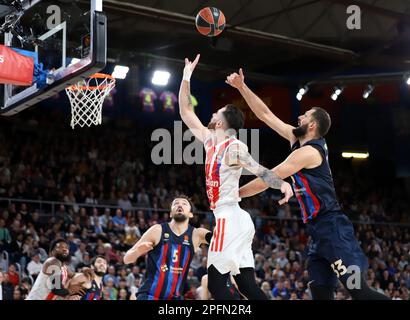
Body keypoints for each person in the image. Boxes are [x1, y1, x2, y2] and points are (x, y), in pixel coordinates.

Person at [225, 68, 389, 300]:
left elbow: (270, 177)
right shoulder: (298, 140)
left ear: (312, 126)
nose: (299, 117)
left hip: (333, 229)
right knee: (320, 295)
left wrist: (233, 194)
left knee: (359, 291)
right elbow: (265, 115)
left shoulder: (309, 152)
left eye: (305, 116)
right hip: (317, 232)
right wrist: (242, 87)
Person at [178, 54, 293, 300]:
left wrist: (282, 183)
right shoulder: (210, 142)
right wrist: (186, 76)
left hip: (230, 217)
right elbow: (186, 111)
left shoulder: (233, 147)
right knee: (247, 287)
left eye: (216, 114)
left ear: (221, 123)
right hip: (233, 219)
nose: (211, 116)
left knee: (217, 284)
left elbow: (258, 169)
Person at [123, 196, 212, 300]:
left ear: (190, 214)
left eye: (184, 203)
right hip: (149, 295)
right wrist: (138, 251)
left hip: (175, 297)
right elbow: (126, 259)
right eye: (176, 203)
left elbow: (220, 239)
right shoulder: (157, 230)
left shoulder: (197, 234)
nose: (179, 205)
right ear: (170, 213)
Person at [26, 239, 92, 300]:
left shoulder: (63, 266)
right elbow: (56, 289)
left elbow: (73, 275)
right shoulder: (52, 262)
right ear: (52, 252)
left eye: (66, 247)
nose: (64, 249)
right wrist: (71, 290)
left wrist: (83, 270)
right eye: (60, 247)